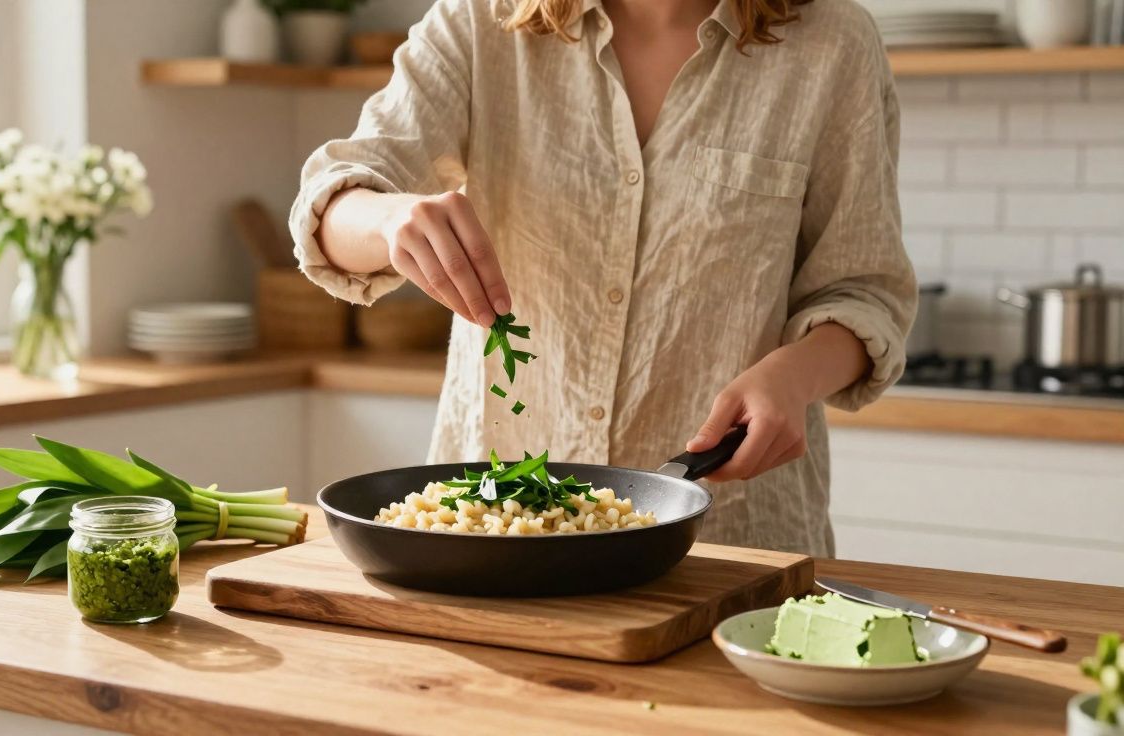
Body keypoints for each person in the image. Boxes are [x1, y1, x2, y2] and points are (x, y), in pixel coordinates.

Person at [288, 0, 917, 556]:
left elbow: (866, 294)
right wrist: (388, 218)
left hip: (734, 541)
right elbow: (331, 206)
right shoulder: (480, 22)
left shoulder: (833, 43)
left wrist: (794, 375)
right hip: (493, 537)